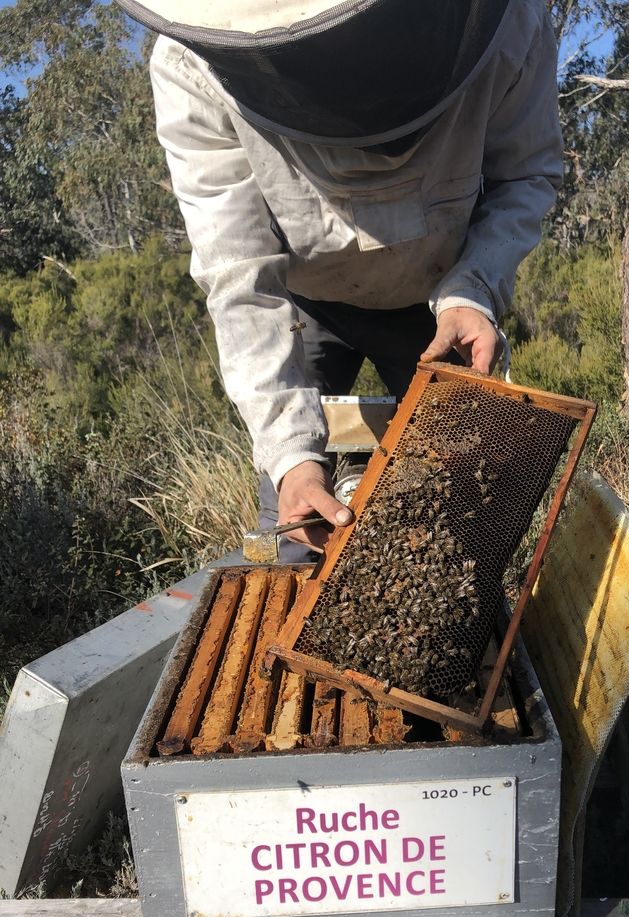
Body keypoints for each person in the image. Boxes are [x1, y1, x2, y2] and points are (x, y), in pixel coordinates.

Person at [117, 0, 563, 556]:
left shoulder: (508, 21)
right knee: (301, 519)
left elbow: (524, 173)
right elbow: (238, 275)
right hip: (304, 310)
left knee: (459, 521)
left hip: (441, 304)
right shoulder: (192, 61)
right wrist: (291, 458)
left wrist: (476, 288)